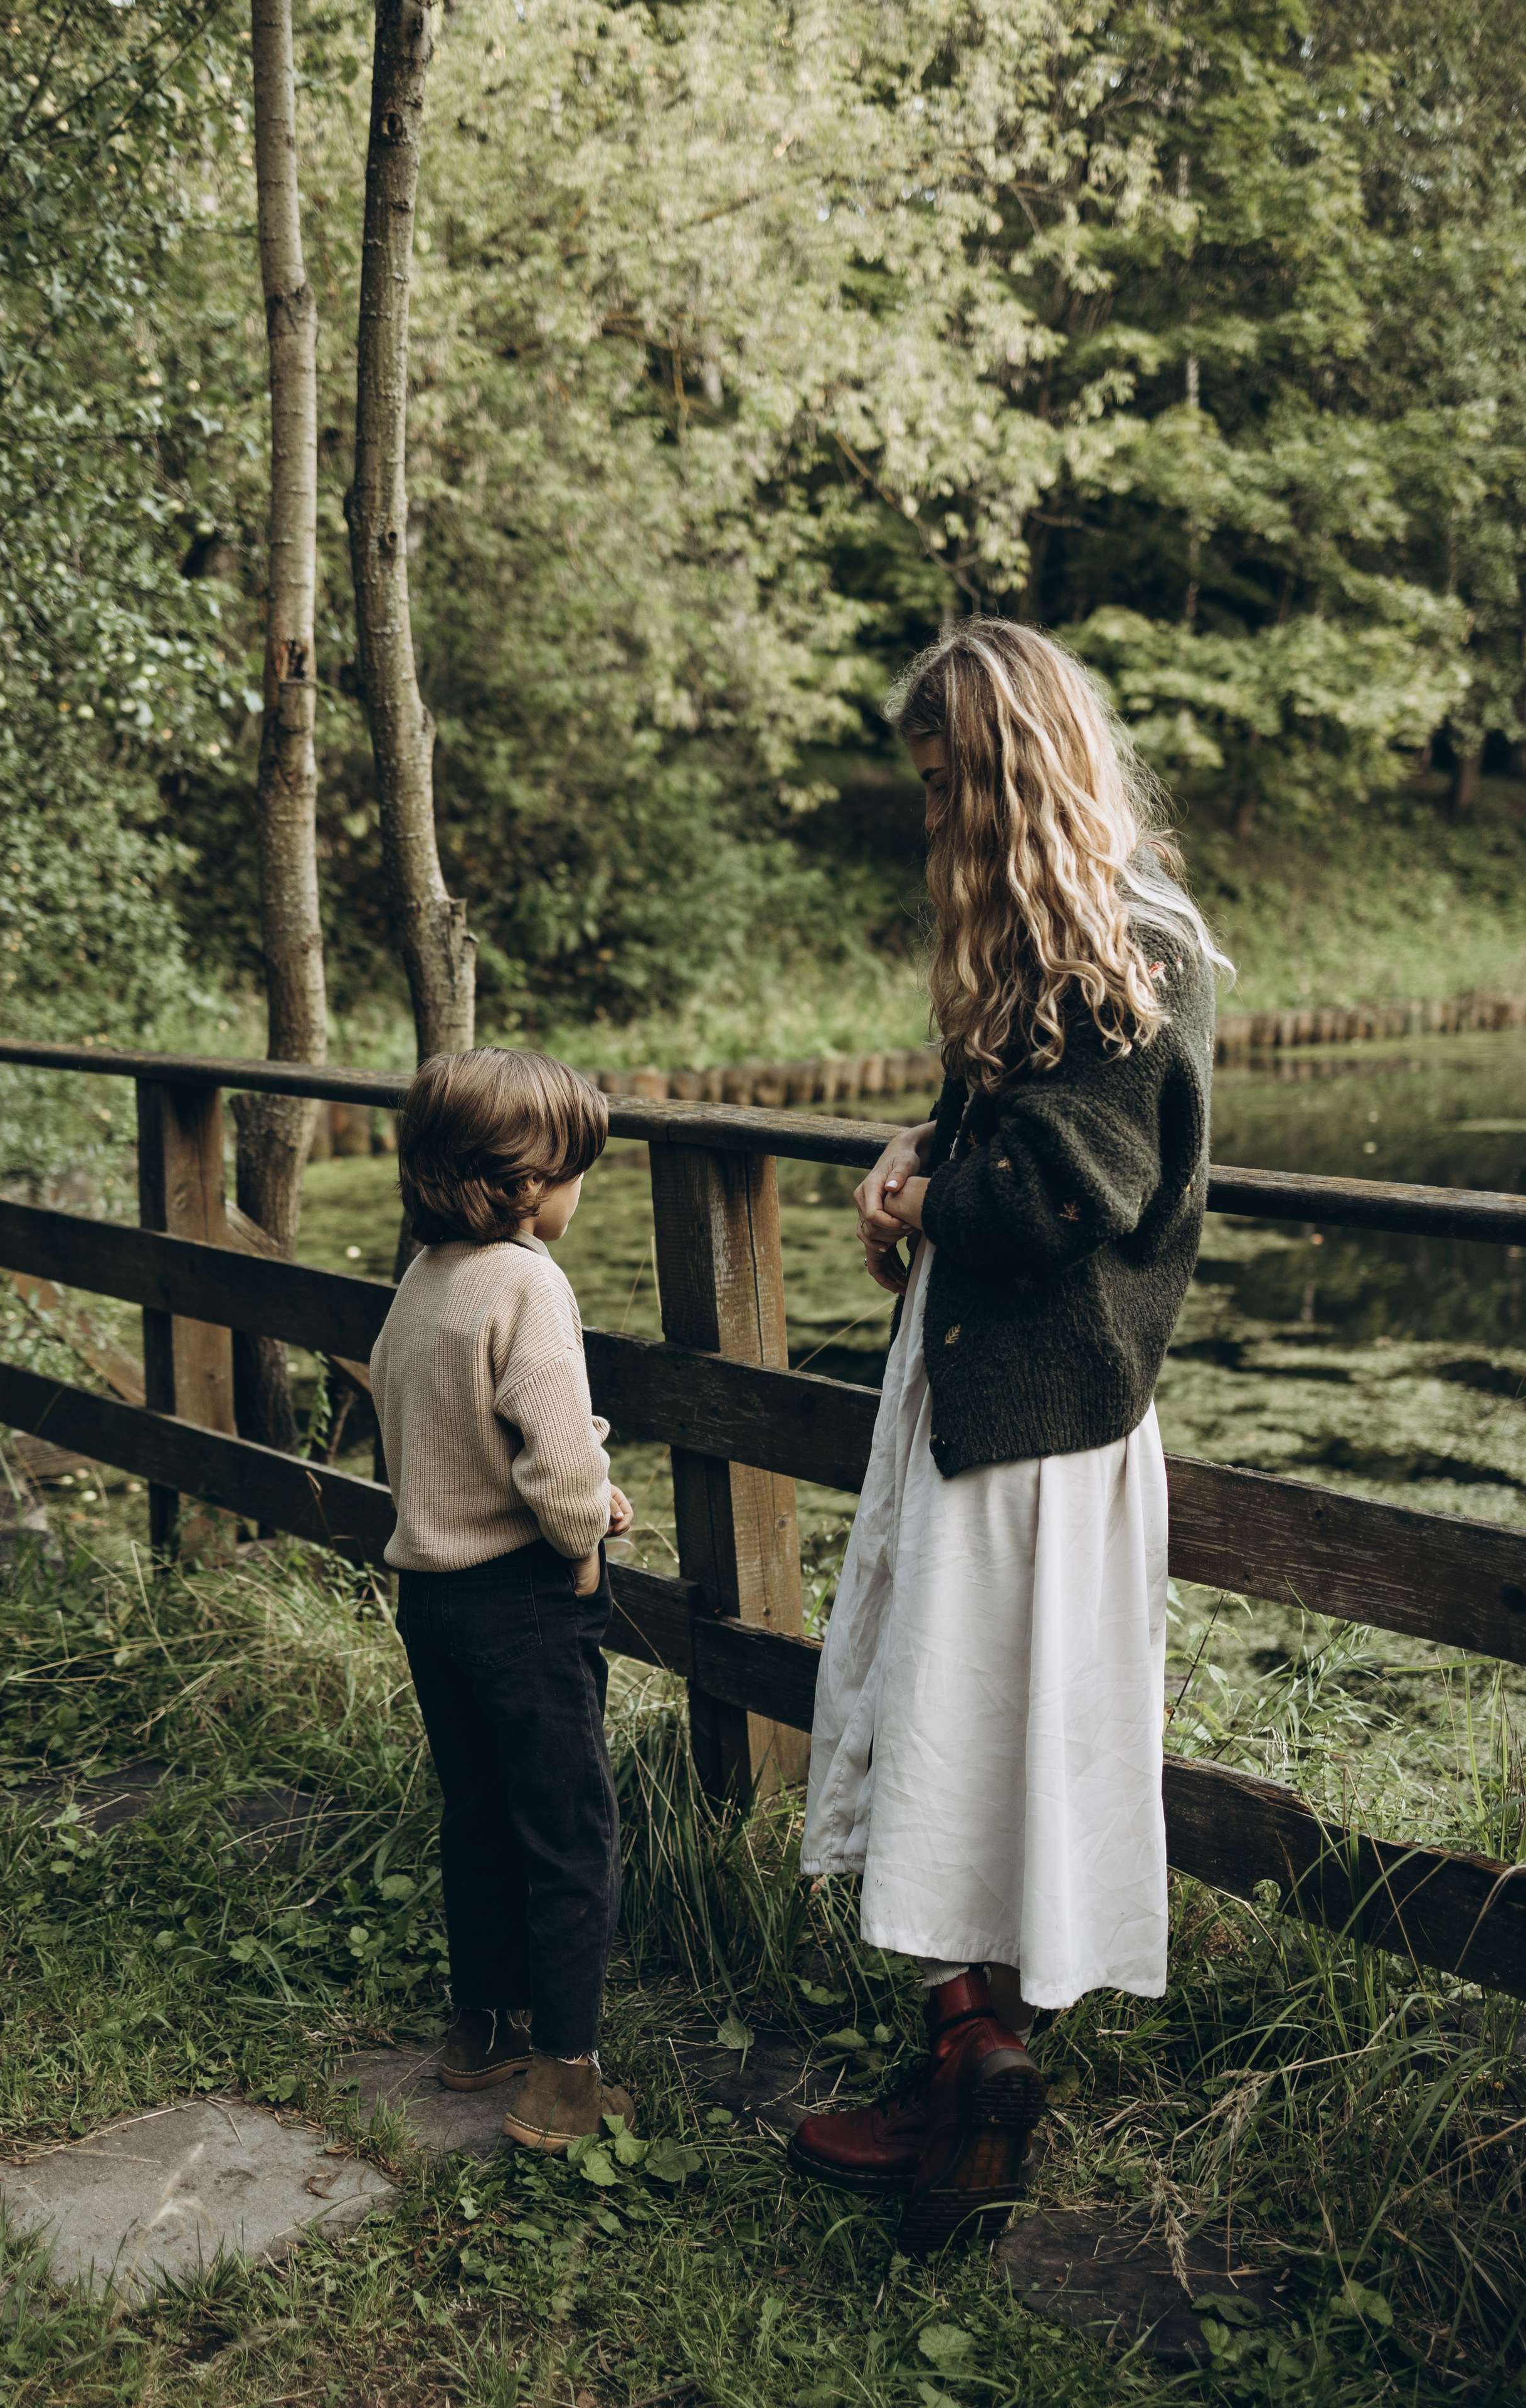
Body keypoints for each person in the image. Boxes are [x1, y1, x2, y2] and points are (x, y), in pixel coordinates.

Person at [790, 618, 1227, 2252]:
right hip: (985, 1404)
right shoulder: (1061, 945)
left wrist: (930, 1185)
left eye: (937, 793)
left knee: (987, 1734)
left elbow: (1056, 1194)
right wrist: (924, 1142)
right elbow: (1011, 1130)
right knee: (950, 1728)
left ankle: (977, 2084)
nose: (927, 830)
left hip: (1038, 1424)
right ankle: (964, 2073)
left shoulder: (1134, 950)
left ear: (1000, 780)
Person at [370, 1047, 637, 2153]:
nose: (578, 1193)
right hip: (527, 1602)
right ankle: (564, 2084)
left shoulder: (427, 1275)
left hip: (433, 1599)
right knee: (571, 1835)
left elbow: (421, 1410)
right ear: (527, 1182)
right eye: (575, 1170)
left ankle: (480, 2033)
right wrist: (587, 1526)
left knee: (478, 1818)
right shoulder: (529, 1280)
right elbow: (556, 1459)